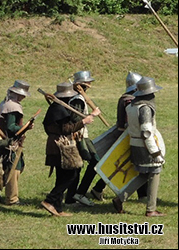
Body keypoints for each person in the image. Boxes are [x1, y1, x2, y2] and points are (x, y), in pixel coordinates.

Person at [40, 82, 100, 217]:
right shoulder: (59, 109)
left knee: (61, 176)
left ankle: (58, 208)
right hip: (61, 146)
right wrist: (85, 121)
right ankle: (50, 200)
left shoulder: (56, 108)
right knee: (71, 175)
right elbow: (66, 128)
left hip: (55, 144)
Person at [91, 72, 147, 203]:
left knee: (133, 164)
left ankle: (142, 194)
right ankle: (143, 195)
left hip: (126, 135)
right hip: (127, 136)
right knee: (135, 164)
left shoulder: (126, 97)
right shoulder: (129, 100)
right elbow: (130, 122)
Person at [118, 77, 165, 217]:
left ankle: (119, 198)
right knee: (155, 171)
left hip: (135, 144)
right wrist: (155, 152)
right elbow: (146, 132)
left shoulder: (131, 106)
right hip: (145, 146)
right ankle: (151, 209)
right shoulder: (144, 108)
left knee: (144, 174)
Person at [65, 71, 100, 207]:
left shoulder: (78, 97)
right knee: (92, 162)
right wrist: (93, 114)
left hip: (81, 136)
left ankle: (74, 196)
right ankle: (77, 194)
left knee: (79, 167)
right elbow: (76, 120)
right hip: (79, 137)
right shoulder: (77, 99)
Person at [0, 80, 32, 206]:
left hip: (9, 142)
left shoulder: (8, 103)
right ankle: (12, 199)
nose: (23, 97)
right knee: (14, 170)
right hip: (10, 143)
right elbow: (11, 127)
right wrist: (26, 127)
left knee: (16, 167)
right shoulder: (12, 107)